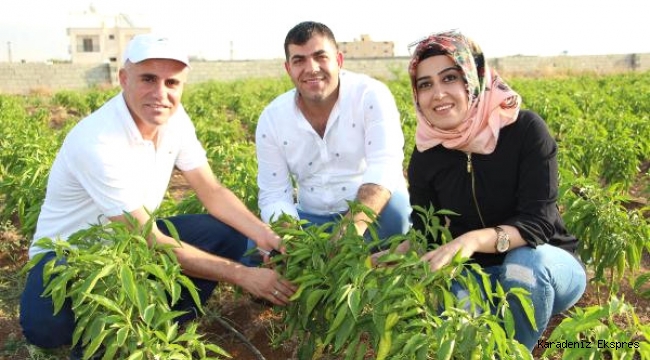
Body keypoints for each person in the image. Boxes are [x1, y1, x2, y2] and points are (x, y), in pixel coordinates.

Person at [19, 33, 296, 359]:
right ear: (123, 79)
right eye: (148, 79)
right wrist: (243, 275)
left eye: (172, 83)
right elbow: (147, 237)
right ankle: (108, 330)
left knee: (225, 233)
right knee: (48, 330)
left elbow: (212, 191)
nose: (161, 93)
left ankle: (160, 325)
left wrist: (269, 237)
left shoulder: (175, 119)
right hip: (70, 254)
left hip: (129, 244)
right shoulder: (97, 140)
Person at [382, 30, 587, 351]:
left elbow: (540, 223)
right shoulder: (427, 154)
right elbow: (426, 232)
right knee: (446, 292)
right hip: (477, 275)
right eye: (425, 84)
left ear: (472, 78)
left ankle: (519, 352)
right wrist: (383, 259)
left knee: (523, 264)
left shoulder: (525, 130)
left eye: (449, 78)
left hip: (546, 267)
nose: (437, 93)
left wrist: (475, 238)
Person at [253, 21, 411, 252]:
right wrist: (292, 240)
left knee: (397, 212)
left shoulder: (369, 95)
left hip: (370, 213)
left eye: (320, 56)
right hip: (310, 217)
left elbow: (384, 166)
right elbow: (274, 192)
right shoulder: (273, 118)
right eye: (299, 60)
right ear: (288, 69)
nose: (311, 68)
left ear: (338, 60)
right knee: (258, 244)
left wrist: (348, 231)